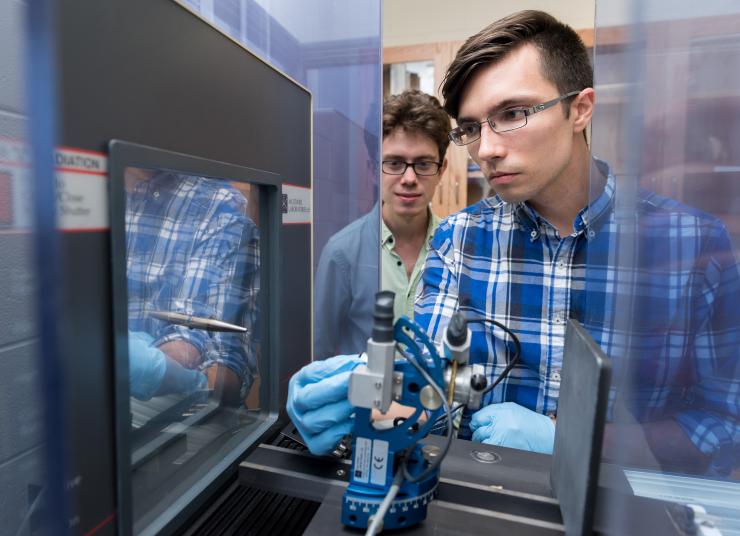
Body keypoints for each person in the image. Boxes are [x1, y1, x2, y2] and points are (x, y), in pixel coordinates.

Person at [290, 10, 740, 476]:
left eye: (512, 114)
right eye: (471, 128)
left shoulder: (693, 246)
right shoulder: (460, 239)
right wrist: (362, 400)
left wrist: (574, 436)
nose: (485, 149)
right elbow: (427, 384)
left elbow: (725, 425)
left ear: (580, 108)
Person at [313, 89, 450, 359]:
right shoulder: (342, 253)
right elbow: (320, 356)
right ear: (372, 169)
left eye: (423, 164)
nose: (409, 178)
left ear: (441, 170)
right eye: (395, 163)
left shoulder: (458, 247)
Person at [125, 168, 259, 406]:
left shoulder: (215, 206)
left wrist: (156, 366)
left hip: (179, 419)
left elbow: (213, 360)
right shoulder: (78, 191)